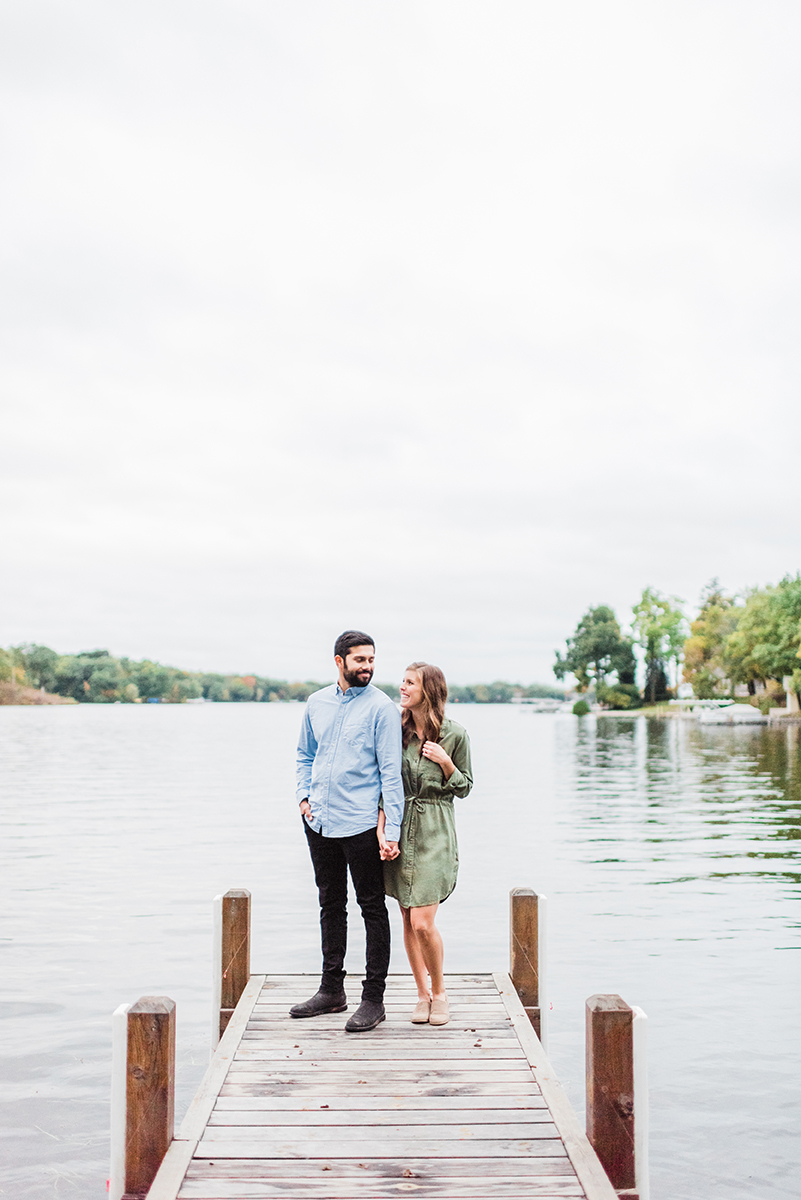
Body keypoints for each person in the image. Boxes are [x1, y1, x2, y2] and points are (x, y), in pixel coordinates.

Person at [292, 630, 404, 1033]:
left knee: (372, 908)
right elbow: (306, 754)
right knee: (330, 904)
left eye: (371, 660)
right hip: (319, 821)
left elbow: (391, 774)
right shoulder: (316, 703)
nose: (368, 667)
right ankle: (331, 990)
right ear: (339, 661)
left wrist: (390, 831)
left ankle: (373, 1000)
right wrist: (303, 798)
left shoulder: (382, 709)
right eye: (360, 660)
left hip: (360, 825)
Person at [380, 662, 472, 1027]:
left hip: (435, 830)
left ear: (428, 690)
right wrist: (383, 833)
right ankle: (421, 995)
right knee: (405, 914)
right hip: (400, 827)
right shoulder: (394, 730)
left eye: (410, 683)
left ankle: (441, 993)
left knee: (422, 922)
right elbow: (384, 786)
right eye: (402, 681)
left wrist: (446, 762)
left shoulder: (455, 734)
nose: (402, 688)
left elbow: (465, 787)